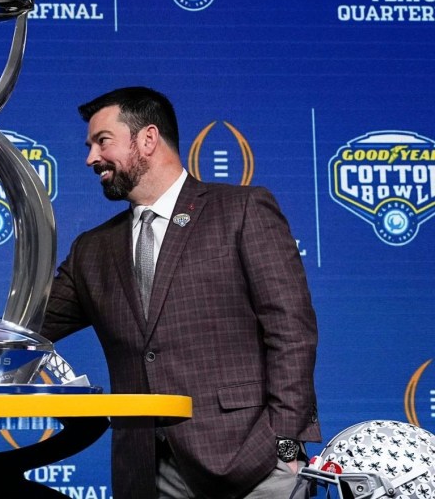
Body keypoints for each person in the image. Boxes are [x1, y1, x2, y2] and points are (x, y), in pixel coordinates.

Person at [41, 86, 320, 499]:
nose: (91, 158)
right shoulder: (92, 250)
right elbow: (28, 325)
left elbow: (291, 332)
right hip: (146, 471)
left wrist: (285, 444)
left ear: (148, 139)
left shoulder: (242, 210)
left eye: (102, 142)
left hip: (254, 465)